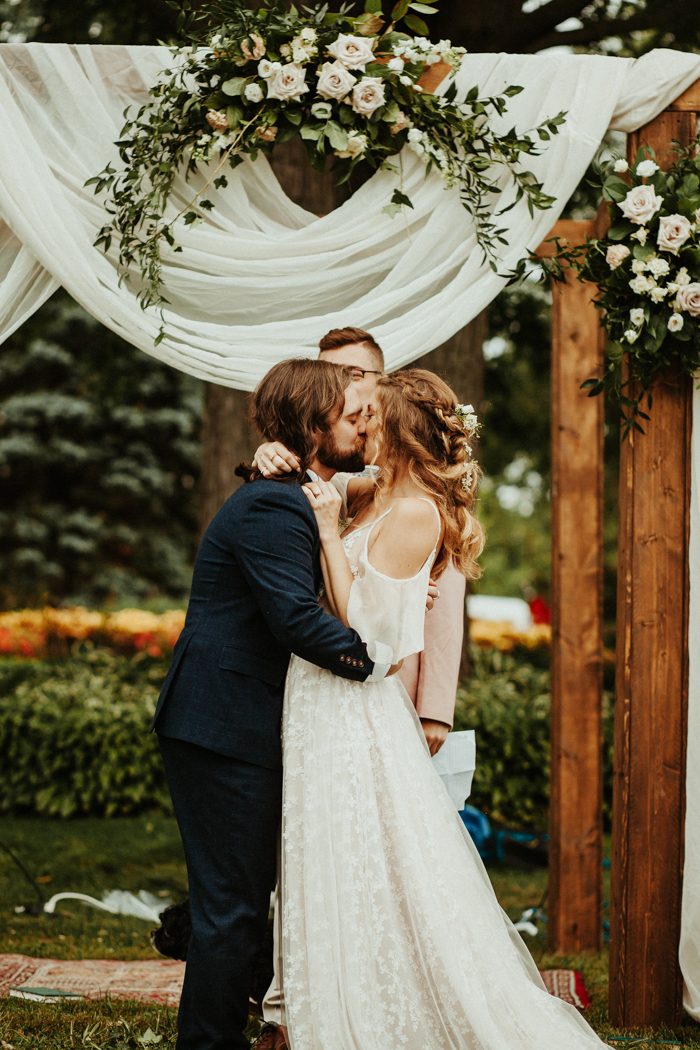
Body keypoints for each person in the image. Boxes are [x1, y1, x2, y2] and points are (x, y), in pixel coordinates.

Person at [274, 368, 608, 1049]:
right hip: (316, 699)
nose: (360, 428)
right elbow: (315, 485)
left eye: (370, 419)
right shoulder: (371, 495)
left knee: (372, 860)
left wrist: (332, 536)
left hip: (351, 706)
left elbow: (364, 630)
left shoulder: (416, 510)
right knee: (330, 858)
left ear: (398, 431)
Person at [152, 359, 393, 1050]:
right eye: (353, 417)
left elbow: (389, 475)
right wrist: (372, 658)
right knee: (232, 912)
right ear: (315, 426)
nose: (365, 426)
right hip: (222, 726)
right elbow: (293, 618)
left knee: (235, 906)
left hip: (236, 723)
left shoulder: (297, 494)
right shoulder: (273, 504)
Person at [253, 327, 466, 755]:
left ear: (377, 378)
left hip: (389, 670)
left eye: (350, 372)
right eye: (329, 372)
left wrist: (436, 707)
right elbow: (312, 484)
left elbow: (445, 590)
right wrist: (267, 453)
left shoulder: (420, 491)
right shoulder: (364, 484)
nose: (337, 382)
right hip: (331, 673)